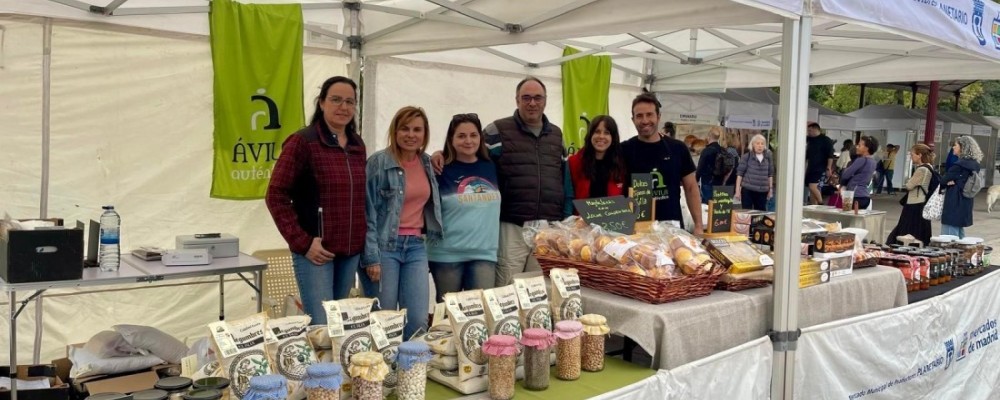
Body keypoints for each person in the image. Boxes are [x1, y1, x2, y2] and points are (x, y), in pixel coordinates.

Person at [433, 77, 573, 286]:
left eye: (537, 98)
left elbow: (564, 177)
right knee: (505, 288)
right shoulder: (496, 130)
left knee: (537, 289)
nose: (532, 103)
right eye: (526, 98)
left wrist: (566, 217)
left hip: (548, 228)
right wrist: (441, 154)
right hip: (511, 225)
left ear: (545, 100)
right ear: (517, 100)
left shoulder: (556, 134)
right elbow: (469, 150)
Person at [265, 76, 366, 325]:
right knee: (321, 326)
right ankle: (319, 366)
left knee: (338, 324)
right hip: (316, 252)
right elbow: (276, 195)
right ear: (321, 103)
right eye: (336, 100)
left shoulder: (357, 144)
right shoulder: (303, 142)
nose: (343, 107)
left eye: (349, 102)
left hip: (350, 251)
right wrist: (302, 242)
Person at [362, 106, 443, 338]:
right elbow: (366, 212)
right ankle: (382, 372)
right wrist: (371, 257)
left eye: (417, 129)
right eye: (404, 129)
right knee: (384, 320)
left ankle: (412, 371)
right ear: (395, 131)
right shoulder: (378, 162)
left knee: (417, 319)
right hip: (384, 247)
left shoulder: (427, 163)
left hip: (416, 246)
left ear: (425, 134)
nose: (411, 135)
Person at [427, 113, 501, 302]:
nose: (468, 140)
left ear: (480, 138)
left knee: (480, 315)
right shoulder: (439, 168)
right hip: (447, 254)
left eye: (473, 135)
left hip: (484, 253)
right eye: (461, 136)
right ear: (451, 139)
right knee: (448, 315)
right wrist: (436, 154)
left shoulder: (492, 166)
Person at [622, 93, 703, 234]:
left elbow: (691, 187)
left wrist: (698, 225)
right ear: (633, 119)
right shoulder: (623, 150)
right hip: (636, 232)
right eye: (639, 116)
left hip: (672, 229)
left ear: (658, 117)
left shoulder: (677, 148)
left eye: (649, 114)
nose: (645, 120)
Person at [886, 144, 937, 245]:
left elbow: (909, 185)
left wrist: (909, 181)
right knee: (918, 228)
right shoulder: (929, 167)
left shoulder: (921, 169)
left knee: (907, 227)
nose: (911, 156)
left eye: (912, 154)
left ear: (919, 155)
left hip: (915, 202)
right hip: (922, 201)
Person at [568, 115, 626, 199]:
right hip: (581, 212)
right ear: (590, 135)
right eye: (597, 131)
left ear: (613, 138)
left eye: (607, 133)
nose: (601, 136)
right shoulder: (574, 162)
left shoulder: (621, 164)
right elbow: (569, 196)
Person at [940, 136, 983, 238]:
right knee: (959, 231)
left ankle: (951, 253)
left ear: (962, 147)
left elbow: (943, 181)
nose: (953, 147)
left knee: (949, 235)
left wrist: (946, 181)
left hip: (954, 200)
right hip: (965, 201)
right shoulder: (975, 164)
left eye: (955, 145)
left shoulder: (959, 166)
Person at [734, 134, 774, 211]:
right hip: (748, 191)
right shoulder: (746, 157)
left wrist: (770, 189)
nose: (760, 146)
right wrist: (737, 190)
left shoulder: (768, 157)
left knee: (760, 215)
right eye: (757, 143)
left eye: (762, 144)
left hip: (762, 191)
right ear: (753, 144)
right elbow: (739, 174)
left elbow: (770, 174)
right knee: (747, 214)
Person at [839, 136, 879, 210]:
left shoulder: (861, 160)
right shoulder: (873, 162)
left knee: (850, 219)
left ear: (866, 148)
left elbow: (845, 175)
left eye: (859, 145)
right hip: (865, 196)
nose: (857, 147)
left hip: (855, 195)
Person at [805, 122, 835, 205]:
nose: (809, 132)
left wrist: (828, 168)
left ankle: (821, 203)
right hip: (811, 167)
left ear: (815, 129)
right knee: (811, 189)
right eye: (808, 131)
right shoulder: (808, 139)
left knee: (813, 186)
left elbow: (830, 155)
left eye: (810, 130)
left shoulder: (826, 140)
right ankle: (813, 206)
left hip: (820, 167)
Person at [695, 128, 724, 204]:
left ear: (709, 136)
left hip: (707, 182)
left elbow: (700, 167)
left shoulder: (706, 151)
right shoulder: (723, 150)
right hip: (720, 182)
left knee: (707, 206)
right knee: (717, 207)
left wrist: (696, 179)